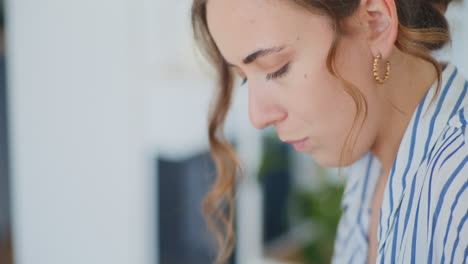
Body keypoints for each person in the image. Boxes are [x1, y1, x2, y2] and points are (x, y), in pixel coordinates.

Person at [191, 0, 467, 263]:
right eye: (243, 80)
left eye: (277, 68)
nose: (258, 117)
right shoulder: (372, 167)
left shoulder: (459, 190)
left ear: (375, 23)